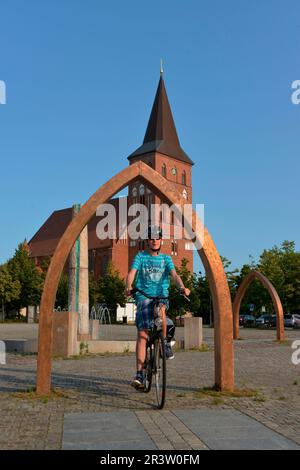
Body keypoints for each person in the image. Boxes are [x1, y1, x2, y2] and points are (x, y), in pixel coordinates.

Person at [125, 225, 190, 389]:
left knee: (162, 312)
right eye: (151, 238)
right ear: (148, 241)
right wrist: (128, 286)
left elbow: (174, 275)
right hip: (143, 296)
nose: (154, 241)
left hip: (161, 295)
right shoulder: (140, 256)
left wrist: (182, 287)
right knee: (143, 334)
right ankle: (139, 374)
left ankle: (165, 343)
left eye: (157, 238)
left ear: (161, 240)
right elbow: (132, 272)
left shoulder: (166, 259)